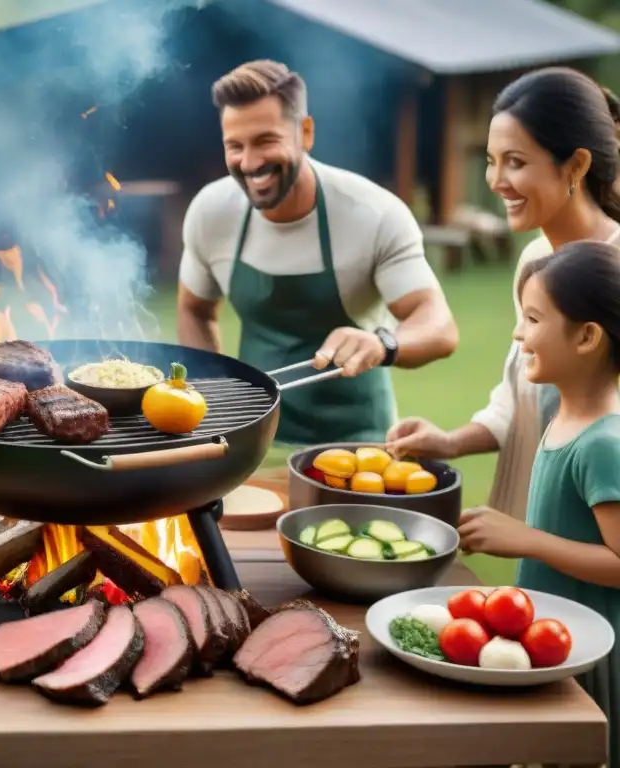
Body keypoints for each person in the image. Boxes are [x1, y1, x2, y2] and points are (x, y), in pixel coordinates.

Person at [177, 59, 458, 447]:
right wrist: (216, 396)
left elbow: (439, 326)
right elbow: (194, 309)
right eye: (235, 146)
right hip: (253, 438)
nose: (250, 162)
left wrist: (383, 343)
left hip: (359, 443)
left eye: (265, 141)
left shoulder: (373, 214)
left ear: (304, 132)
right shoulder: (211, 212)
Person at [386, 66, 620, 521]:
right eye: (491, 161)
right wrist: (452, 441)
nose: (495, 181)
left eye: (515, 161)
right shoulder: (536, 260)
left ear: (576, 165)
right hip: (542, 530)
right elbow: (521, 395)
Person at [457, 240, 620, 768]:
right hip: (553, 643)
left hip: (592, 656)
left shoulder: (603, 443)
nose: (517, 333)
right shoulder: (561, 415)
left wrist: (526, 539)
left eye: (531, 318)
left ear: (587, 337)